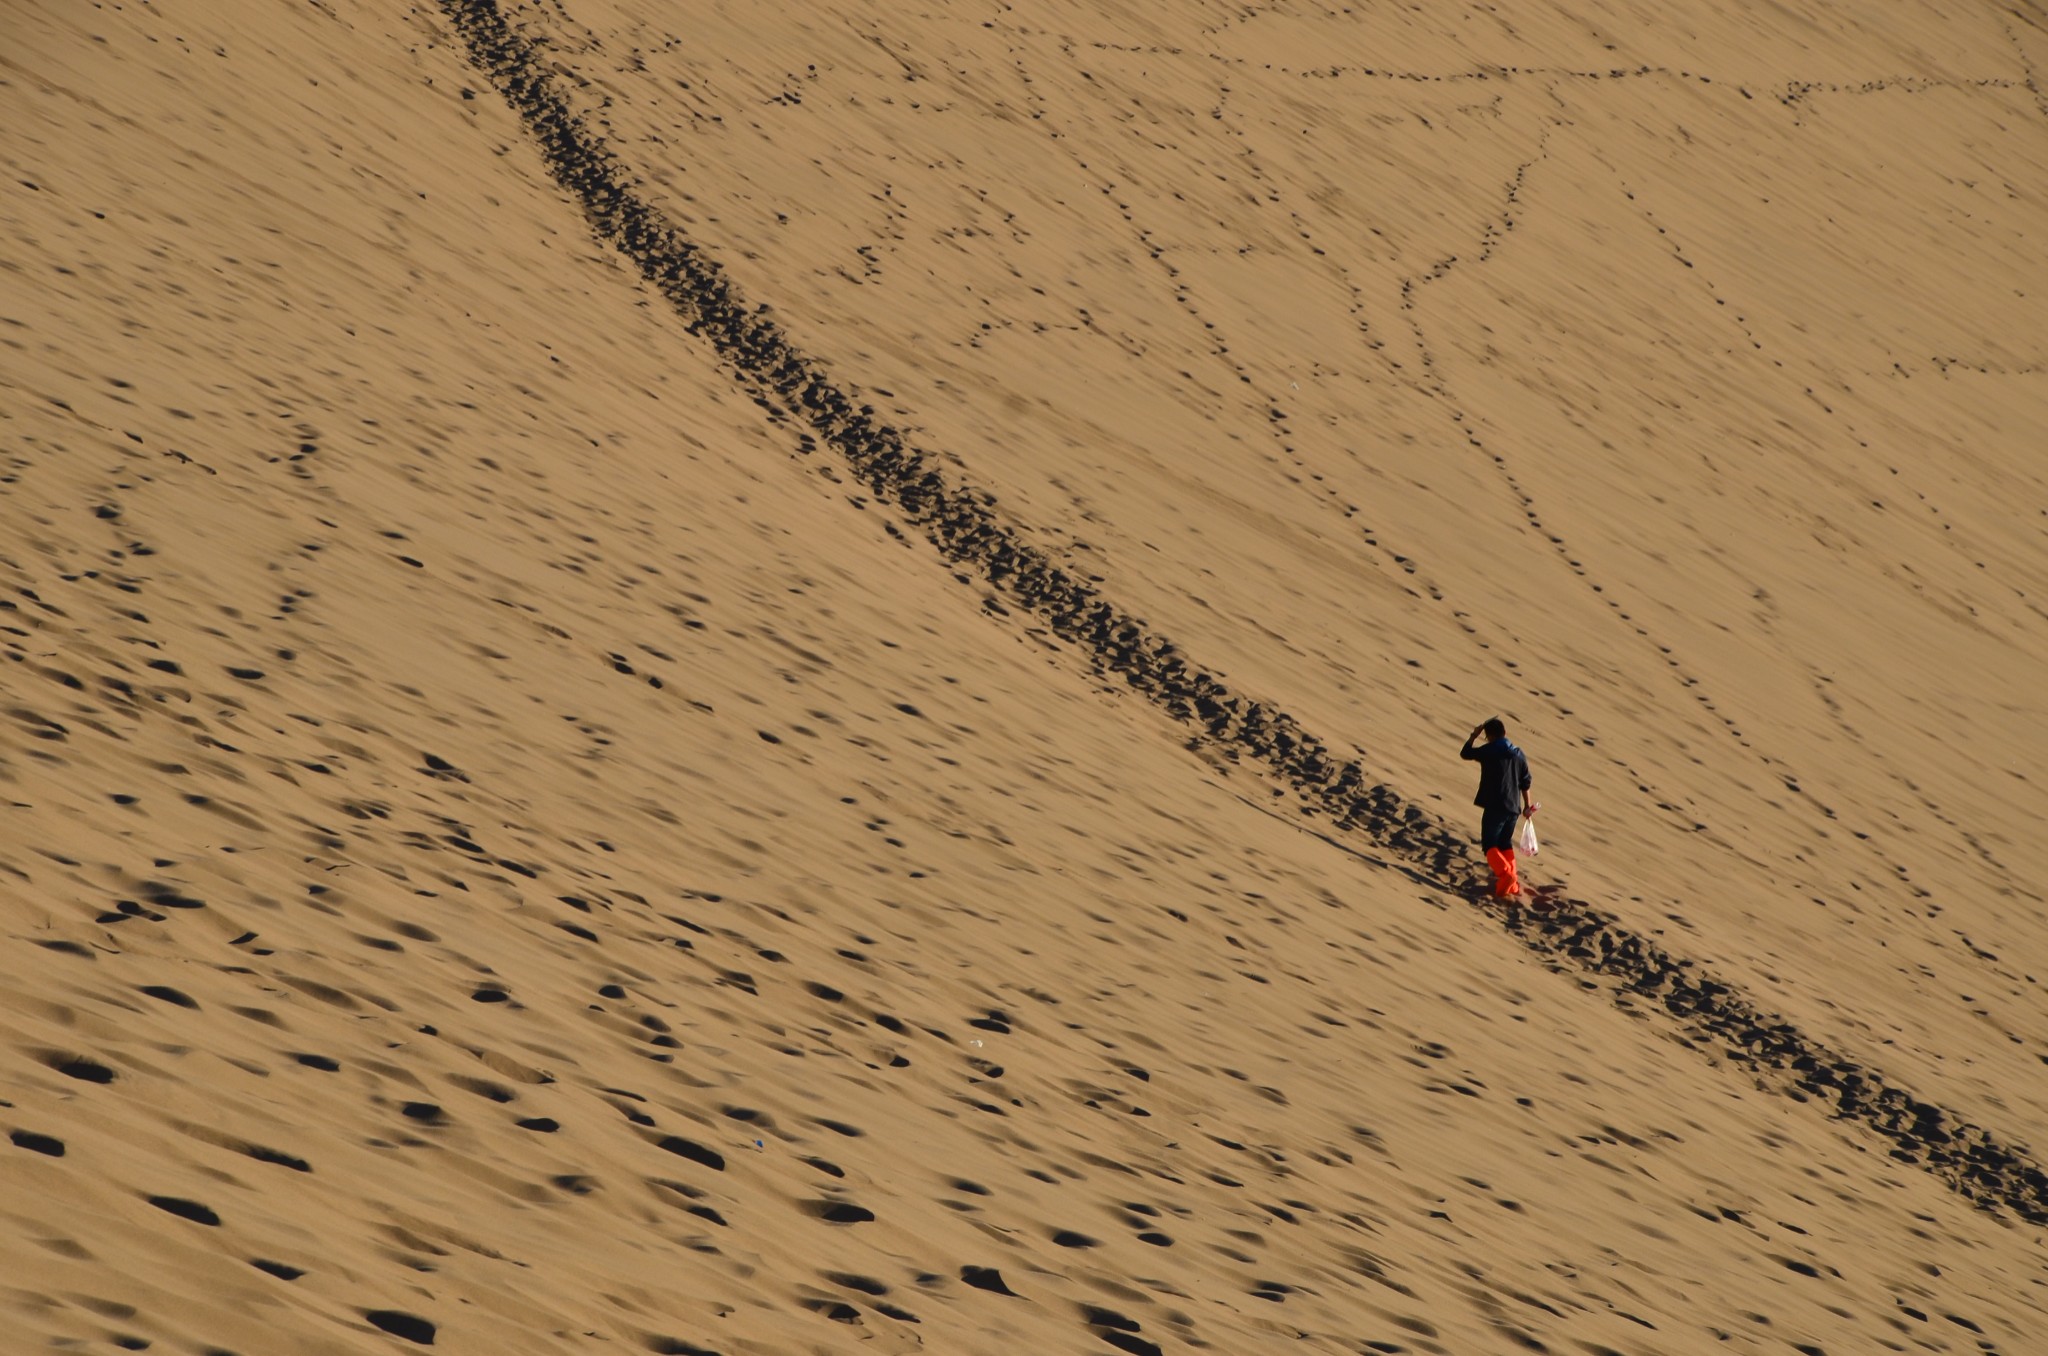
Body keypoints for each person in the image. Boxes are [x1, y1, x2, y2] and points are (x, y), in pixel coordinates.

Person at [1459, 717, 1532, 900]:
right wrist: (1527, 807)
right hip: (1514, 808)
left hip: (1495, 805)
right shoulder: (1518, 753)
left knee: (1490, 844)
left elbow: (1465, 753)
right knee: (1505, 843)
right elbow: (1525, 782)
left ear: (1489, 735)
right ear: (1504, 733)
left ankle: (1507, 876)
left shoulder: (1490, 749)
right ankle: (1513, 885)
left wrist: (1473, 735)